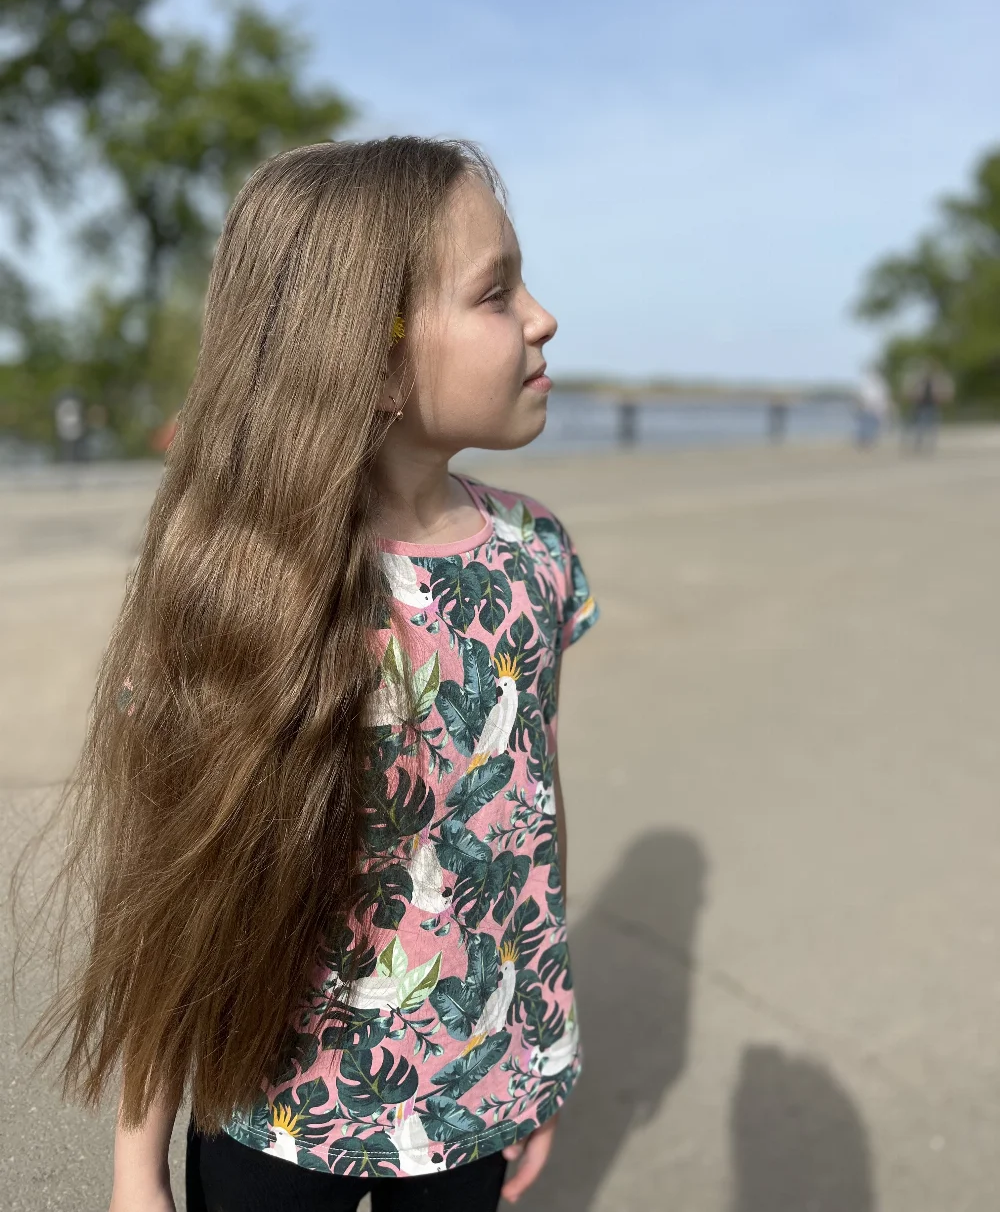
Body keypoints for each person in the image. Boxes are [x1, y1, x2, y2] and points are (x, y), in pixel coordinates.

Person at [18, 138, 599, 1212]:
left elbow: (531, 822)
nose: (543, 317)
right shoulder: (248, 585)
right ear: (369, 356)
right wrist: (137, 1165)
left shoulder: (537, 557)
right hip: (274, 1113)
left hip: (475, 1098)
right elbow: (174, 884)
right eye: (496, 292)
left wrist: (540, 1049)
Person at [854, 368, 890, 448]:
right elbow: (862, 397)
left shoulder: (879, 385)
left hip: (875, 409)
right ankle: (864, 441)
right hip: (868, 408)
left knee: (872, 426)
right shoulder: (867, 385)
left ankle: (868, 441)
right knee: (866, 425)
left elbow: (882, 397)